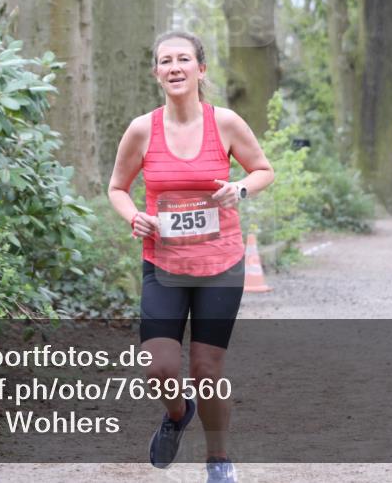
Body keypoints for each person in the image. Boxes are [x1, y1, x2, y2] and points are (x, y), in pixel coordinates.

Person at [107, 30, 274, 483]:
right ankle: (179, 415)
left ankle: (218, 458)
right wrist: (134, 216)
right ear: (156, 72)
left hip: (221, 263)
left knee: (206, 368)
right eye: (166, 60)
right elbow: (117, 188)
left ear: (201, 69)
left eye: (184, 59)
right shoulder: (143, 129)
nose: (175, 67)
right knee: (158, 368)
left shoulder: (226, 123)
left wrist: (239, 187)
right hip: (163, 265)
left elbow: (263, 170)